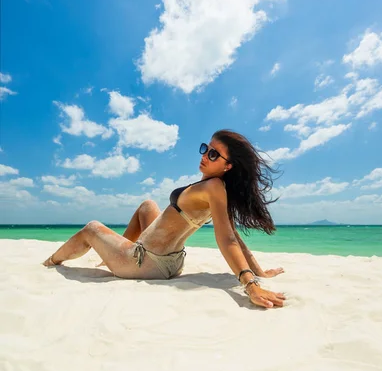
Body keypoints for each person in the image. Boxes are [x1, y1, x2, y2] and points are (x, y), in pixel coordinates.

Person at [43, 130, 286, 309]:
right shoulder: (218, 190)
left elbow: (227, 238)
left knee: (92, 228)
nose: (205, 156)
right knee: (147, 206)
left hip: (146, 263)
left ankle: (52, 261)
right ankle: (112, 258)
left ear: (228, 166)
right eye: (206, 149)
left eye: (214, 155)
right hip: (170, 261)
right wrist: (260, 270)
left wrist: (251, 284)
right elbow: (235, 237)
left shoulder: (213, 186)